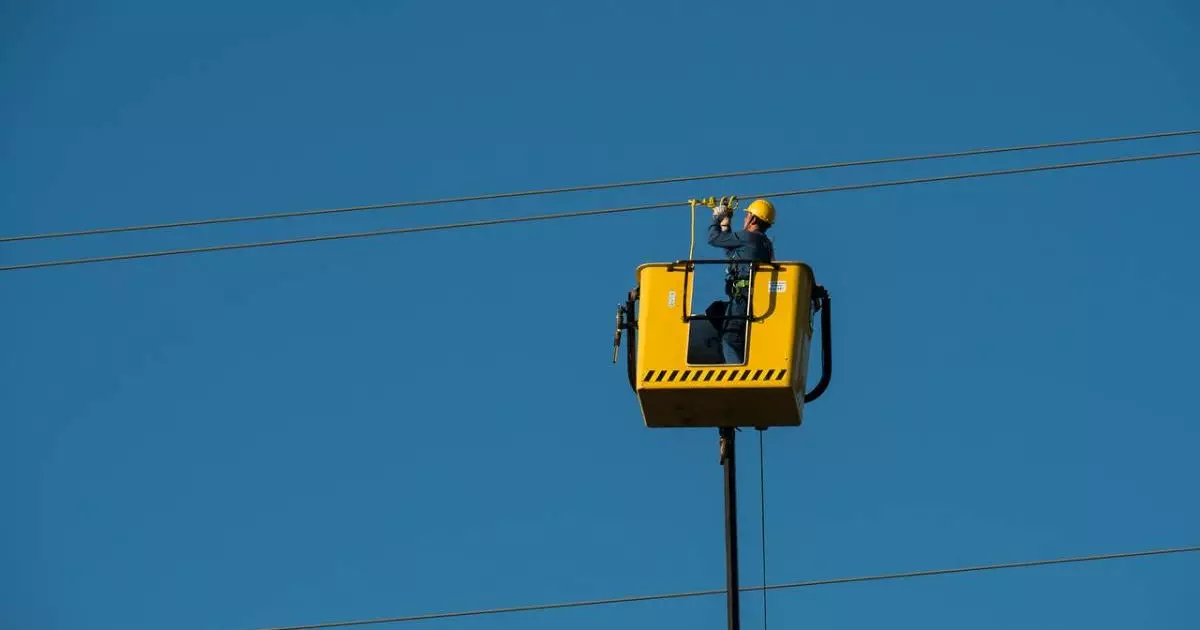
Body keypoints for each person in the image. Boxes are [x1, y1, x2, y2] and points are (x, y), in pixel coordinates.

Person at [707, 198, 776, 364]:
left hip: (742, 298)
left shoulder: (748, 237)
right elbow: (731, 250)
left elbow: (714, 239)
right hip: (752, 297)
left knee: (730, 338)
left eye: (747, 216)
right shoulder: (764, 243)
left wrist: (716, 218)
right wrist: (725, 223)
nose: (745, 218)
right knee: (715, 311)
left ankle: (736, 370)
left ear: (753, 219)